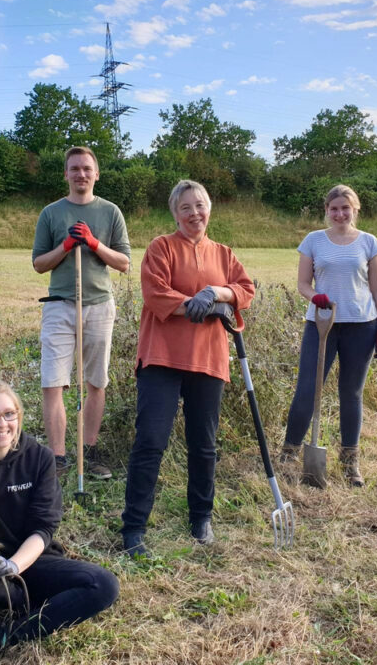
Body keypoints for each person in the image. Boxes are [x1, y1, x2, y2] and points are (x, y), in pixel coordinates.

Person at [120, 179, 255, 558]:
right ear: (174, 214)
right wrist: (195, 304)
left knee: (204, 444)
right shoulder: (161, 248)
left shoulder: (224, 253)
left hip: (208, 360)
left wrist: (218, 293)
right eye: (186, 208)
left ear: (209, 208)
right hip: (161, 357)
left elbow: (245, 288)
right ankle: (134, 527)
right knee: (150, 442)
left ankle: (201, 518)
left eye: (200, 206)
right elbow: (155, 292)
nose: (194, 213)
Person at [0, 381, 119, 655]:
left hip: (31, 561)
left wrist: (13, 567)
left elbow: (43, 529)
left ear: (19, 417)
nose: (2, 423)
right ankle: (20, 599)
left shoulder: (39, 458)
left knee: (103, 585)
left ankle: (3, 634)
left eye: (9, 414)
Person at [32, 146, 130, 480]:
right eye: (74, 169)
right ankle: (58, 459)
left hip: (100, 305)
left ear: (96, 174)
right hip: (60, 306)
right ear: (66, 174)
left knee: (96, 381)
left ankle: (88, 451)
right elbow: (38, 264)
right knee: (52, 383)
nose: (81, 174)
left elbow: (125, 263)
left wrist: (92, 243)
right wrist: (66, 247)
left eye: (87, 168)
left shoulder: (111, 212)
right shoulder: (51, 214)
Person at [281, 184, 377, 486]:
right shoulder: (313, 241)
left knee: (351, 393)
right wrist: (314, 297)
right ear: (326, 211)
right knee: (307, 390)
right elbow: (303, 283)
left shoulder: (369, 243)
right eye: (334, 209)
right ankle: (289, 453)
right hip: (321, 324)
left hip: (361, 324)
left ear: (356, 210)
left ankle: (350, 461)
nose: (340, 214)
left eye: (345, 208)